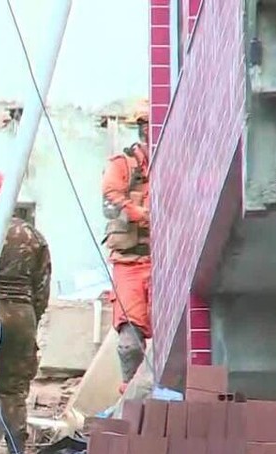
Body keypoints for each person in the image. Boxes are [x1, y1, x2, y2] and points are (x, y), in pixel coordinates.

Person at [0, 171, 51, 454]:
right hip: (22, 315)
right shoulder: (31, 235)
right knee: (13, 391)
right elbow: (42, 290)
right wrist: (30, 320)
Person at [101, 105, 151, 393]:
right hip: (130, 263)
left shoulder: (177, 156)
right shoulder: (123, 165)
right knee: (129, 344)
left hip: (164, 264)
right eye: (145, 124)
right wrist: (139, 213)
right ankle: (131, 397)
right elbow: (110, 193)